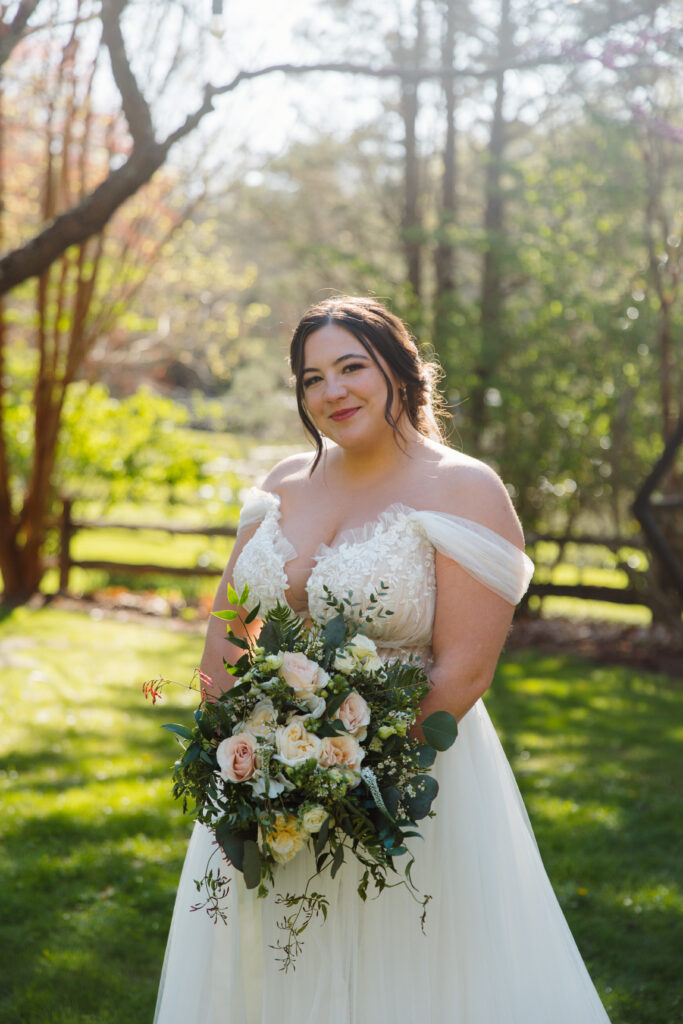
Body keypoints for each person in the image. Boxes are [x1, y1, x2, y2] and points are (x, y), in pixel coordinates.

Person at [154, 296, 611, 1023]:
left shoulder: (463, 487)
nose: (331, 392)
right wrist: (234, 752)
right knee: (275, 973)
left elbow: (464, 671)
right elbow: (228, 630)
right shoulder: (279, 484)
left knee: (407, 975)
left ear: (399, 371)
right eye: (310, 378)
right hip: (265, 782)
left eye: (349, 367)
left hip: (406, 781)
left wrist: (348, 782)